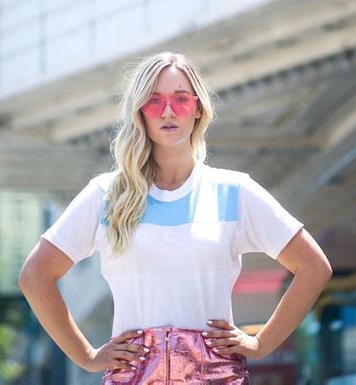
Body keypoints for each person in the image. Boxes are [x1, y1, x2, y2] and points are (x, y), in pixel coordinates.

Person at [18, 51, 332, 384]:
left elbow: (314, 267)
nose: (168, 111)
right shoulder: (106, 195)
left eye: (180, 99)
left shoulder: (233, 191)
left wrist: (260, 343)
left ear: (198, 108)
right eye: (154, 102)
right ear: (140, 112)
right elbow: (35, 276)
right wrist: (88, 356)